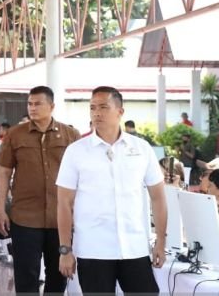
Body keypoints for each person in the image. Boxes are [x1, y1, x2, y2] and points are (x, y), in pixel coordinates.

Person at [56, 86, 167, 295]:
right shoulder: (76, 151)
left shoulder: (142, 149)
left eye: (103, 107)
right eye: (92, 108)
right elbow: (64, 203)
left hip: (134, 247)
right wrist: (65, 250)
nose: (97, 113)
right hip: (93, 249)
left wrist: (161, 241)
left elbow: (158, 197)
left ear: (120, 111)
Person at [0, 86, 80, 296]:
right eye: (30, 104)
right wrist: (1, 209)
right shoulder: (15, 134)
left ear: (51, 106)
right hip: (25, 218)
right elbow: (3, 172)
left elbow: (82, 176)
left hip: (60, 219)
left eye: (38, 104)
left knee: (58, 276)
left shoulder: (70, 135)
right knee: (26, 276)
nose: (32, 108)